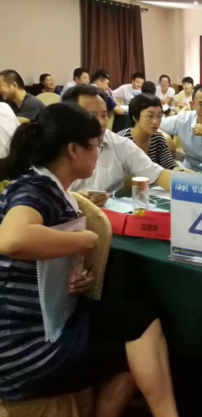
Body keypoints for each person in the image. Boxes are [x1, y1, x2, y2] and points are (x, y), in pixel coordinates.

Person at [0, 103, 180, 417]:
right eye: (96, 146)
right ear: (73, 150)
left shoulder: (45, 185)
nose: (99, 154)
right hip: (21, 353)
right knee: (137, 347)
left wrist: (69, 277)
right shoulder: (37, 190)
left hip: (30, 327)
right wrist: (86, 239)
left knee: (138, 319)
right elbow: (12, 239)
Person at [62, 86, 180, 205]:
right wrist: (72, 198)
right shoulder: (55, 147)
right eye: (92, 116)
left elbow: (157, 174)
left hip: (111, 212)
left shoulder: (119, 144)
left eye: (104, 115)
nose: (101, 123)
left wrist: (189, 187)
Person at [117, 94, 176, 170]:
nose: (155, 122)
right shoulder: (121, 141)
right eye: (150, 116)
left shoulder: (158, 139)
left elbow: (170, 167)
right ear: (135, 117)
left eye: (159, 116)